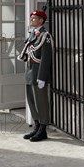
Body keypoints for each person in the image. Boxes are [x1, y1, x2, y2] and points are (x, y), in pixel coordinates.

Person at [18, 9, 53, 142]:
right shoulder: (33, 34)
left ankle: (43, 129)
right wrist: (24, 56)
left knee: (41, 101)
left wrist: (42, 77)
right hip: (30, 71)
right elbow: (31, 50)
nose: (31, 20)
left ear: (41, 20)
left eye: (34, 18)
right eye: (31, 18)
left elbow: (46, 58)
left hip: (38, 72)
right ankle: (37, 125)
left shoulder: (45, 36)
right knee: (31, 100)